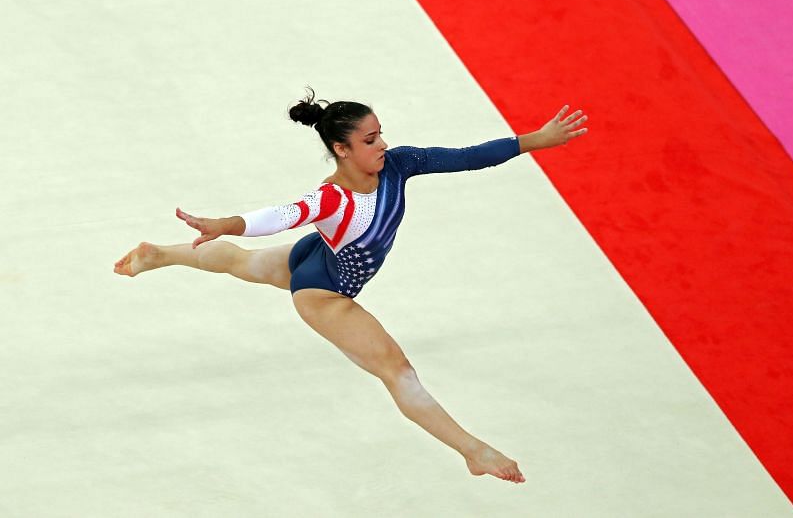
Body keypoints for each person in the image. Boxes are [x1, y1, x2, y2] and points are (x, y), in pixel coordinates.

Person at [114, 87, 589, 484]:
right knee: (396, 369)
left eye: (380, 133)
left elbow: (465, 158)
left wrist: (534, 140)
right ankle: (473, 450)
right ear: (342, 149)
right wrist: (227, 221)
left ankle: (162, 254)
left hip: (315, 258)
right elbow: (281, 216)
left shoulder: (399, 165)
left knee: (243, 265)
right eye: (370, 139)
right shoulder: (331, 198)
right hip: (324, 294)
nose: (382, 144)